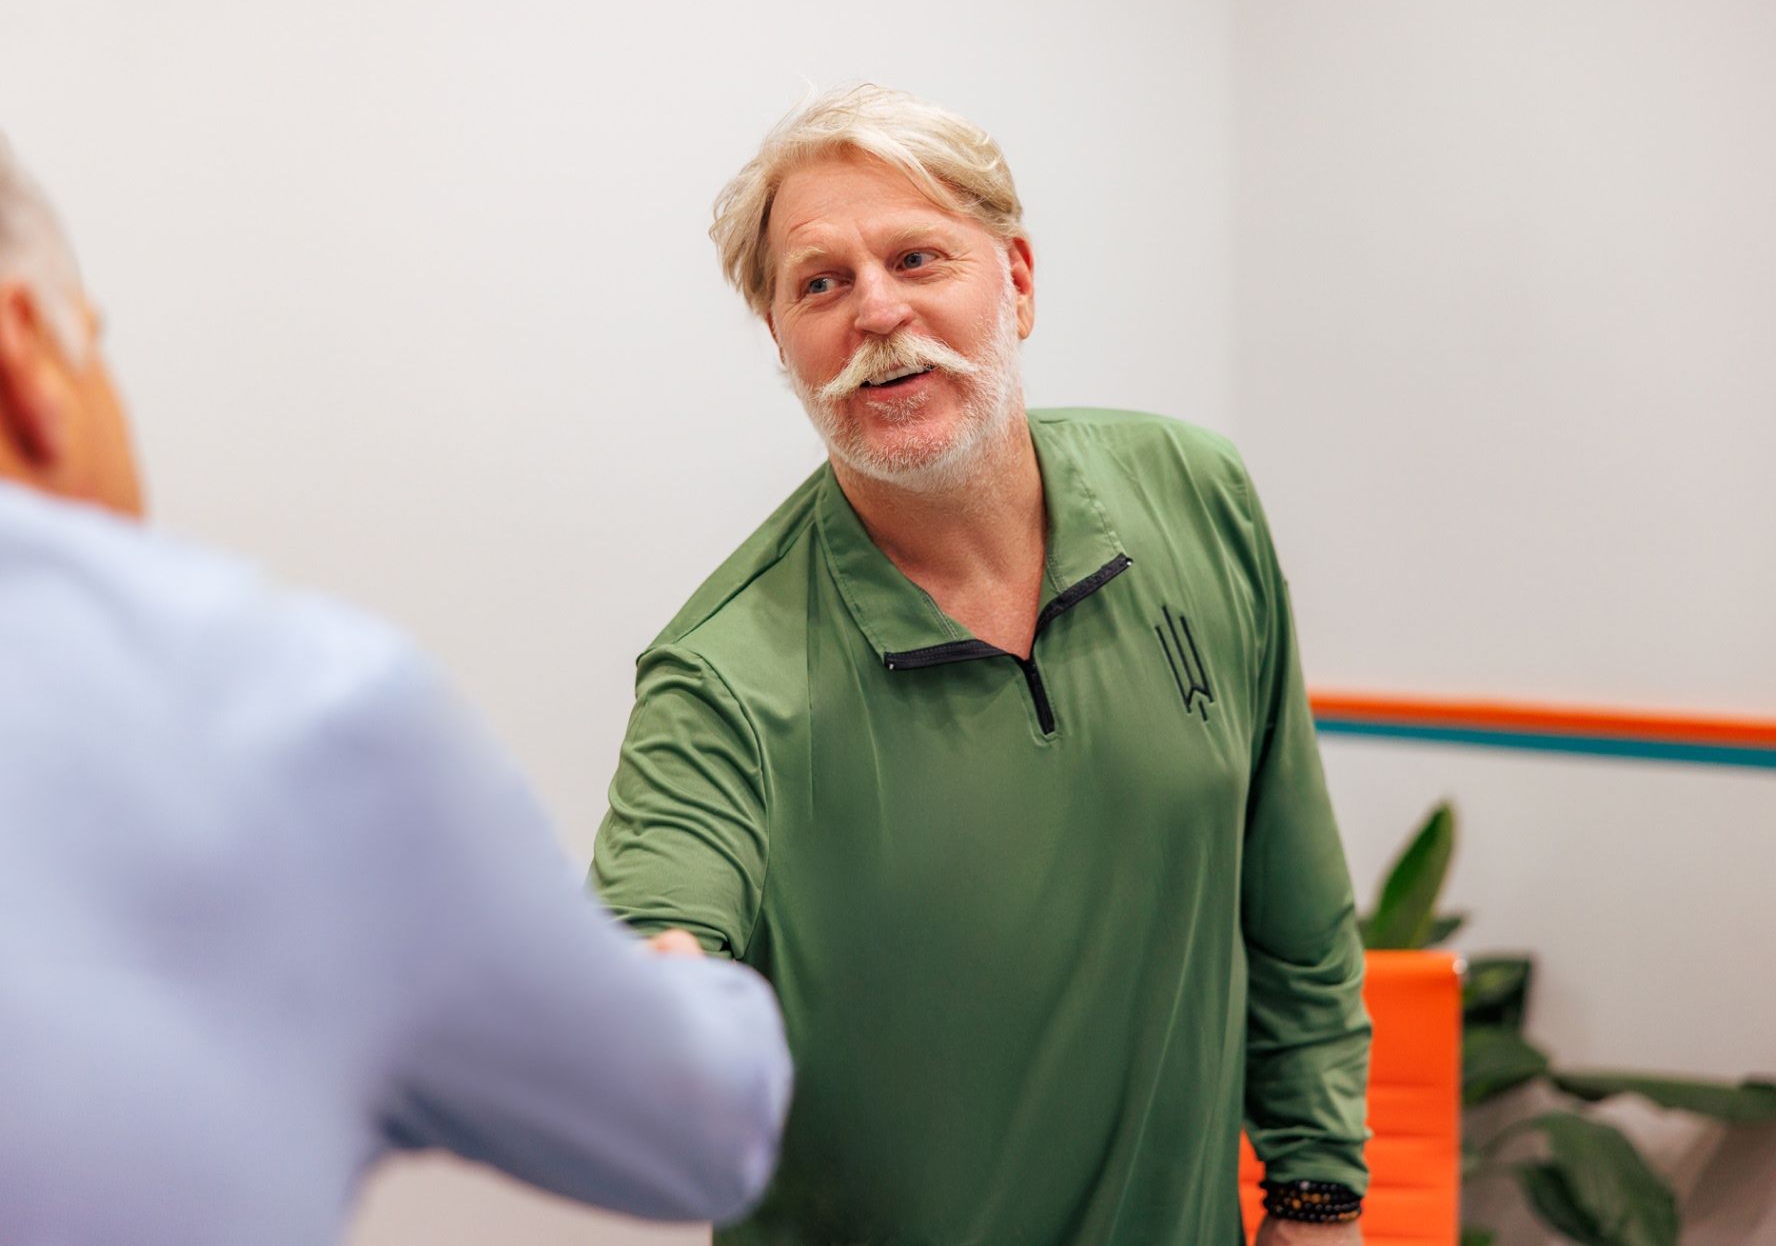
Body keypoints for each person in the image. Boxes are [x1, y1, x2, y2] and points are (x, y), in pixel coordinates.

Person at [592, 85, 1370, 1245]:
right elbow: (651, 918)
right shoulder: (724, 677)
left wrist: (1315, 1196)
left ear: (1017, 280)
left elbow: (1294, 902)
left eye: (918, 257)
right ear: (782, 341)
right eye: (821, 283)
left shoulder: (1197, 500)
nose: (876, 312)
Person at [0, 136, 791, 1245]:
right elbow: (706, 1123)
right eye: (101, 344)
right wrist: (687, 989)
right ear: (28, 354)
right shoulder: (295, 719)